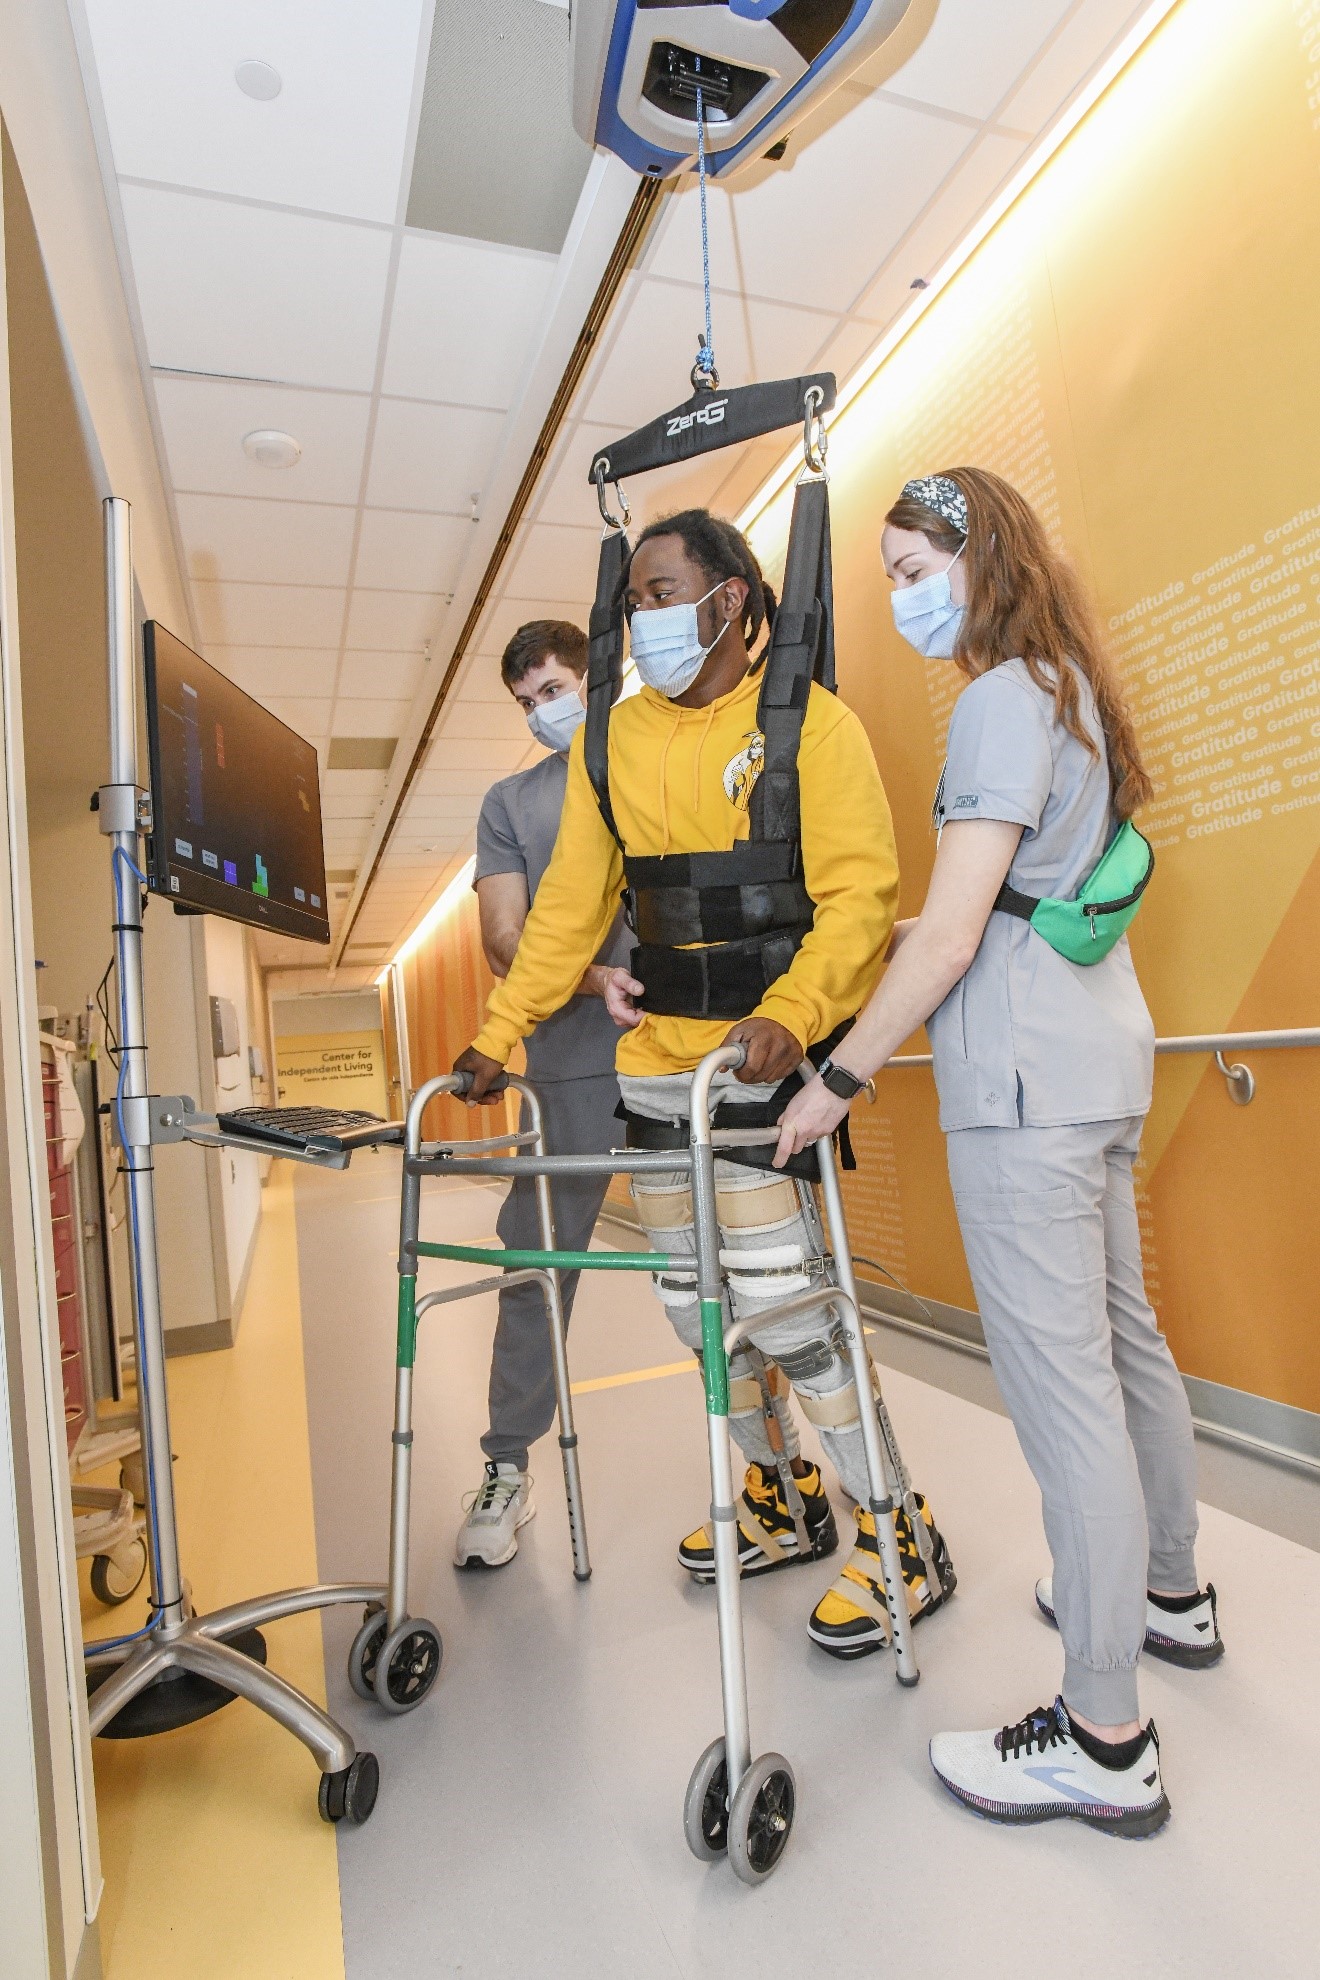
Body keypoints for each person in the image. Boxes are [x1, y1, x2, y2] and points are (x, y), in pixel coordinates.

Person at [775, 468, 1221, 1835]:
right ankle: (1168, 1593)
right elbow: (1003, 907)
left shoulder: (994, 699)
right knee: (1125, 1341)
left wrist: (836, 1080)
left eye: (914, 565)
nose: (902, 591)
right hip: (1097, 1063)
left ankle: (1102, 1729)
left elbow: (960, 934)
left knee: (1063, 1394)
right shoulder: (1073, 692)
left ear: (978, 560)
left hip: (1023, 1085)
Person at [454, 509, 954, 1656]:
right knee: (696, 1310)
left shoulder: (808, 725)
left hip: (755, 1068)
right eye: (632, 599)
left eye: (662, 592)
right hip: (655, 1072)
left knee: (790, 1314)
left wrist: (793, 1012)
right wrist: (499, 1030)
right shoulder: (615, 741)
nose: (644, 618)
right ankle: (780, 1491)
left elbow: (862, 897)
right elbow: (569, 906)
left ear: (730, 599)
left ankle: (899, 1526)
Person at [454, 619, 632, 1568]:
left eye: (555, 689)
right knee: (535, 1263)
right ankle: (508, 1467)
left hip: (691, 1046)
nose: (541, 712)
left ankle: (783, 1469)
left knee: (734, 1260)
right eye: (526, 703)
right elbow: (503, 935)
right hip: (571, 1058)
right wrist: (593, 975)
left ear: (596, 677)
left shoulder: (659, 752)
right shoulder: (510, 802)